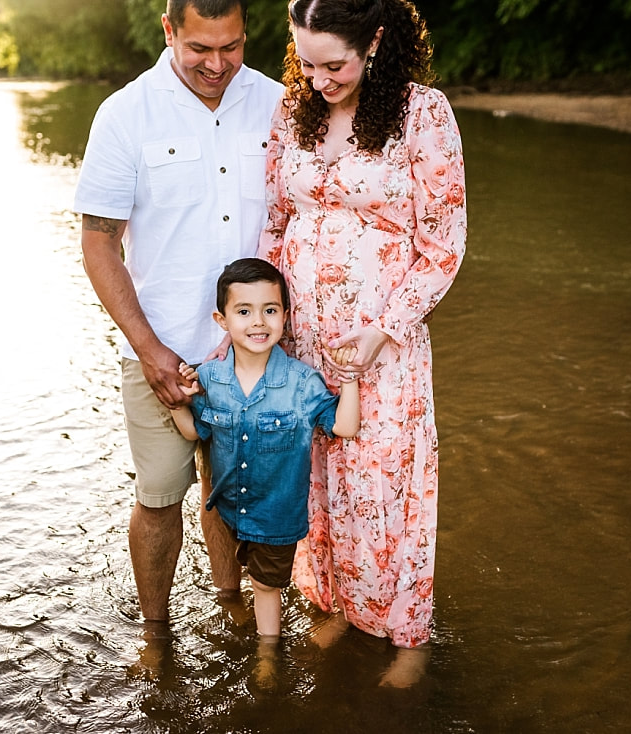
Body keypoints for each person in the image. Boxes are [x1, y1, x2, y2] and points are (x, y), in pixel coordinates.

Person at [258, 0, 467, 687]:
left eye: (334, 64)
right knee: (318, 480)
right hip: (304, 341)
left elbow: (442, 245)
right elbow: (274, 222)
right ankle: (340, 604)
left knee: (386, 482)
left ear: (375, 41)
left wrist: (383, 329)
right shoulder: (294, 113)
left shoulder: (421, 114)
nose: (319, 79)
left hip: (383, 343)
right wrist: (265, 323)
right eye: (306, 63)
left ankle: (409, 634)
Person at [72, 0, 284, 645]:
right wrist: (149, 350)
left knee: (235, 495)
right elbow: (98, 244)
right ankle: (156, 634)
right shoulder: (124, 114)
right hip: (161, 349)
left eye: (231, 46)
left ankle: (230, 606)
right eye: (200, 49)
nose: (217, 64)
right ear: (170, 32)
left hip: (255, 354)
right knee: (160, 498)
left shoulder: (279, 105)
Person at [170, 257, 360, 688]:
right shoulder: (210, 378)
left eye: (270, 310)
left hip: (275, 519)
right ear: (222, 319)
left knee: (266, 587)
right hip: (230, 511)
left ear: (285, 316)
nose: (259, 322)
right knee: (250, 578)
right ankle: (256, 630)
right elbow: (193, 431)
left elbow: (344, 427)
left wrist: (348, 379)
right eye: (244, 311)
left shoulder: (301, 382)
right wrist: (179, 401)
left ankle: (268, 656)